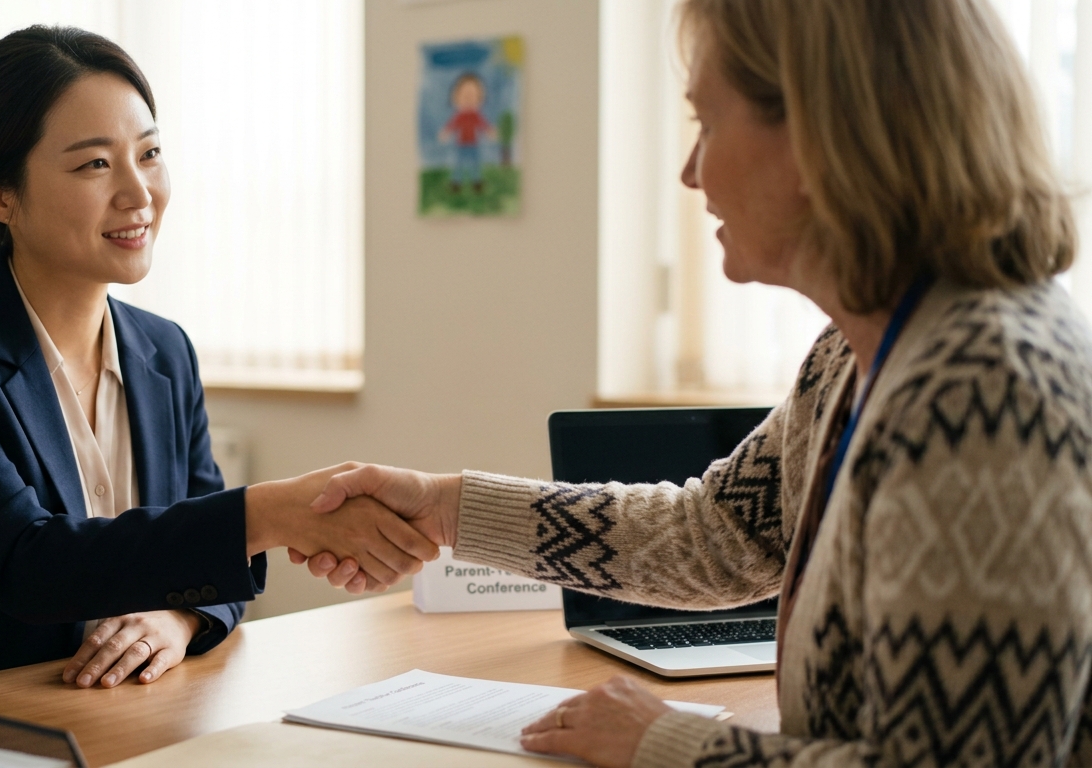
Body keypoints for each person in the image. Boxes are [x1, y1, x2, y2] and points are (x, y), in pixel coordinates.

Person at [299, 0, 1092, 765]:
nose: (687, 171)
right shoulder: (856, 353)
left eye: (706, 125)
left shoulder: (986, 399)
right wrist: (446, 508)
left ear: (823, 138)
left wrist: (673, 745)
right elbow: (718, 536)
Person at [0, 26, 436, 692]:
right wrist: (274, 511)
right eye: (95, 164)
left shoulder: (164, 352)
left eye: (149, 153)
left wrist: (178, 619)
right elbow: (26, 564)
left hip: (126, 716)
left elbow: (217, 568)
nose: (139, 193)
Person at [438, 72, 495, 194]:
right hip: (461, 145)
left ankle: (477, 182)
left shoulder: (476, 115)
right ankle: (456, 183)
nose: (468, 99)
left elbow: (483, 124)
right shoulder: (459, 116)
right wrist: (445, 133)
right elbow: (451, 125)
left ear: (479, 98)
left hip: (473, 144)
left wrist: (490, 131)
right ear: (456, 98)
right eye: (465, 96)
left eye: (473, 96)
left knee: (475, 164)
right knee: (459, 164)